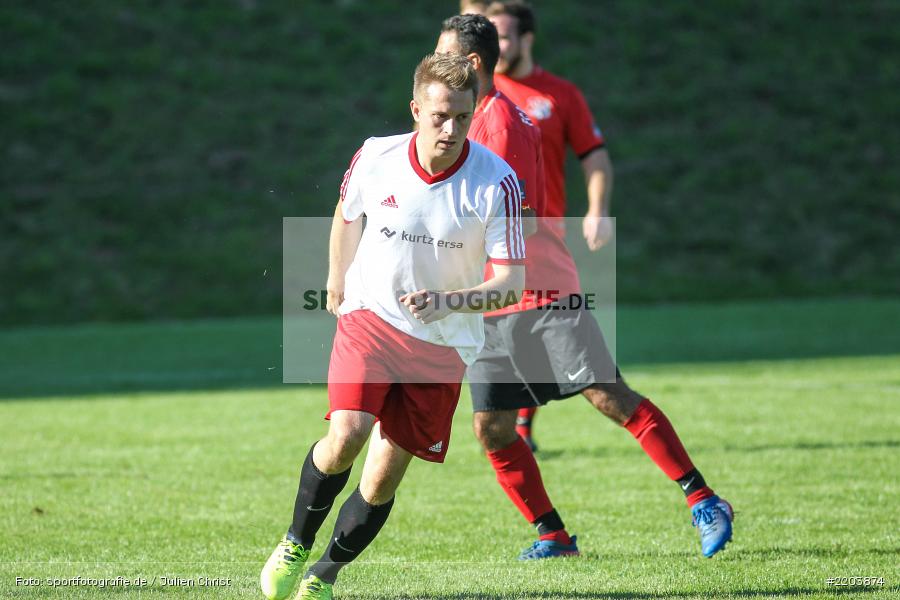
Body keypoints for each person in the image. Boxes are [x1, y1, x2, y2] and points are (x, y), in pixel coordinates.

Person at [460, 0, 735, 560]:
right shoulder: (460, 114)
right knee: (491, 427)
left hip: (541, 276)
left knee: (604, 392)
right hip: (492, 294)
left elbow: (590, 157)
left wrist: (596, 208)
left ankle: (703, 498)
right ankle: (552, 535)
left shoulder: (532, 105)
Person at [260, 53, 526, 600]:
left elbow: (512, 285)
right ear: (415, 110)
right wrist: (336, 278)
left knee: (380, 481)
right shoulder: (375, 155)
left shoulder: (496, 183)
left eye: (462, 116)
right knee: (348, 434)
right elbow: (346, 212)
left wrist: (450, 299)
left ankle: (325, 574)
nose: (450, 129)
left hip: (443, 345)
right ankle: (295, 541)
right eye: (439, 116)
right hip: (372, 317)